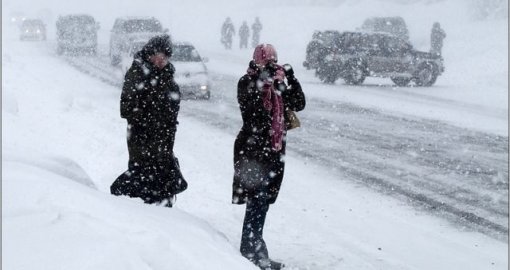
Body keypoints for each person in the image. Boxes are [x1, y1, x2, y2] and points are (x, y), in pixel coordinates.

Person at [233, 44, 306, 270]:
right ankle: (253, 252)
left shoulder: (277, 85)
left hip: (273, 152)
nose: (270, 65)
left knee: (263, 202)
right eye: (266, 61)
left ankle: (253, 249)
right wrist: (264, 86)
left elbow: (299, 104)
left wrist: (290, 79)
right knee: (256, 200)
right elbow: (254, 117)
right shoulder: (247, 82)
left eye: (273, 61)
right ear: (256, 61)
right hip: (253, 152)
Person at [110, 35, 187, 207]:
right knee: (143, 179)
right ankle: (143, 215)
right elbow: (126, 109)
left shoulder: (168, 76)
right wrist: (149, 108)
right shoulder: (136, 74)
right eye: (160, 56)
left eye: (166, 57)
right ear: (151, 54)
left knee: (164, 181)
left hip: (164, 141)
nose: (163, 60)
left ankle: (165, 213)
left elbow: (173, 106)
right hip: (141, 140)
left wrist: (167, 124)